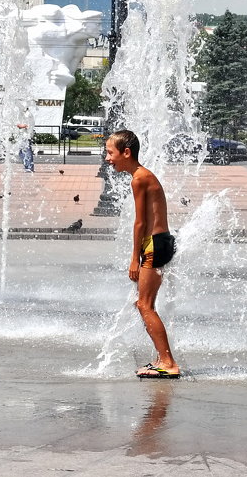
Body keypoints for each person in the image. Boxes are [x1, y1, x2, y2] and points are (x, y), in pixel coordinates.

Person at [105, 129, 179, 379]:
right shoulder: (143, 175)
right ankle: (161, 359)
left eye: (110, 153)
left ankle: (168, 362)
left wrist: (134, 259)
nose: (107, 158)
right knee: (145, 304)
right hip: (160, 242)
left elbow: (139, 223)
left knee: (144, 304)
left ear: (126, 152)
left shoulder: (139, 178)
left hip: (154, 245)